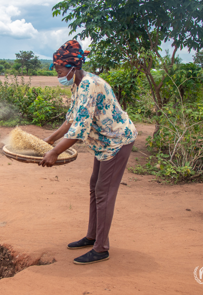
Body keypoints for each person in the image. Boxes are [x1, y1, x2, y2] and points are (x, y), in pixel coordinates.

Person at [39, 40, 137, 265]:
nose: (58, 75)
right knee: (95, 187)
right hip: (104, 143)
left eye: (60, 71)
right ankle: (92, 236)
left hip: (117, 141)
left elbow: (79, 129)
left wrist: (54, 152)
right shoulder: (78, 83)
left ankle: (101, 248)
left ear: (73, 67)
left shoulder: (89, 85)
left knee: (104, 192)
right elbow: (70, 120)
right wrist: (48, 140)